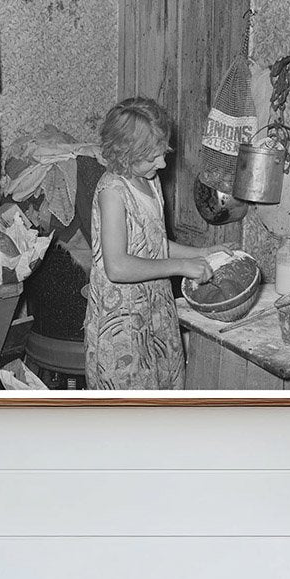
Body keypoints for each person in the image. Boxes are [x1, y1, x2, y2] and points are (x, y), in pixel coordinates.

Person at [84, 97, 225, 390]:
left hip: (155, 309)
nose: (162, 163)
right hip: (122, 319)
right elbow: (118, 267)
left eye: (162, 154)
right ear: (124, 154)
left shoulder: (149, 180)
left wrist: (203, 254)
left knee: (162, 386)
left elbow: (155, 244)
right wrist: (182, 267)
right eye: (152, 158)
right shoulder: (112, 193)